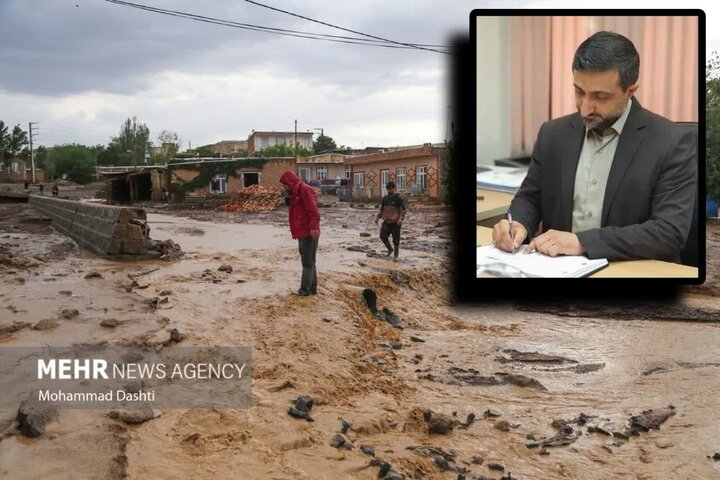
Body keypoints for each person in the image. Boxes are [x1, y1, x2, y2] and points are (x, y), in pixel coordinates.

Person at [492, 31, 696, 263]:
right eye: (579, 92)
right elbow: (530, 198)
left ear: (630, 91)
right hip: (558, 272)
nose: (585, 108)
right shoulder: (552, 134)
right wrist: (518, 223)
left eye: (600, 96)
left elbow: (669, 232)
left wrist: (582, 242)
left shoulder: (672, 141)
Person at [280, 171, 320, 296]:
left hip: (307, 231)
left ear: (289, 183)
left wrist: (313, 228)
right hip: (304, 231)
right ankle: (312, 288)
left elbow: (313, 211)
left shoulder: (304, 190)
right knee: (310, 261)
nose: (284, 188)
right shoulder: (296, 192)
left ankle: (305, 290)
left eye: (284, 184)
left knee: (307, 262)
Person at [375, 181, 406, 262]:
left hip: (395, 223)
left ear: (394, 189)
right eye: (388, 189)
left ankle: (396, 256)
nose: (389, 191)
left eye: (391, 189)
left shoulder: (398, 198)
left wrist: (401, 219)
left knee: (396, 240)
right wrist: (377, 218)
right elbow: (381, 210)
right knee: (382, 236)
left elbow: (402, 210)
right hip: (386, 222)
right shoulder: (385, 198)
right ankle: (390, 249)